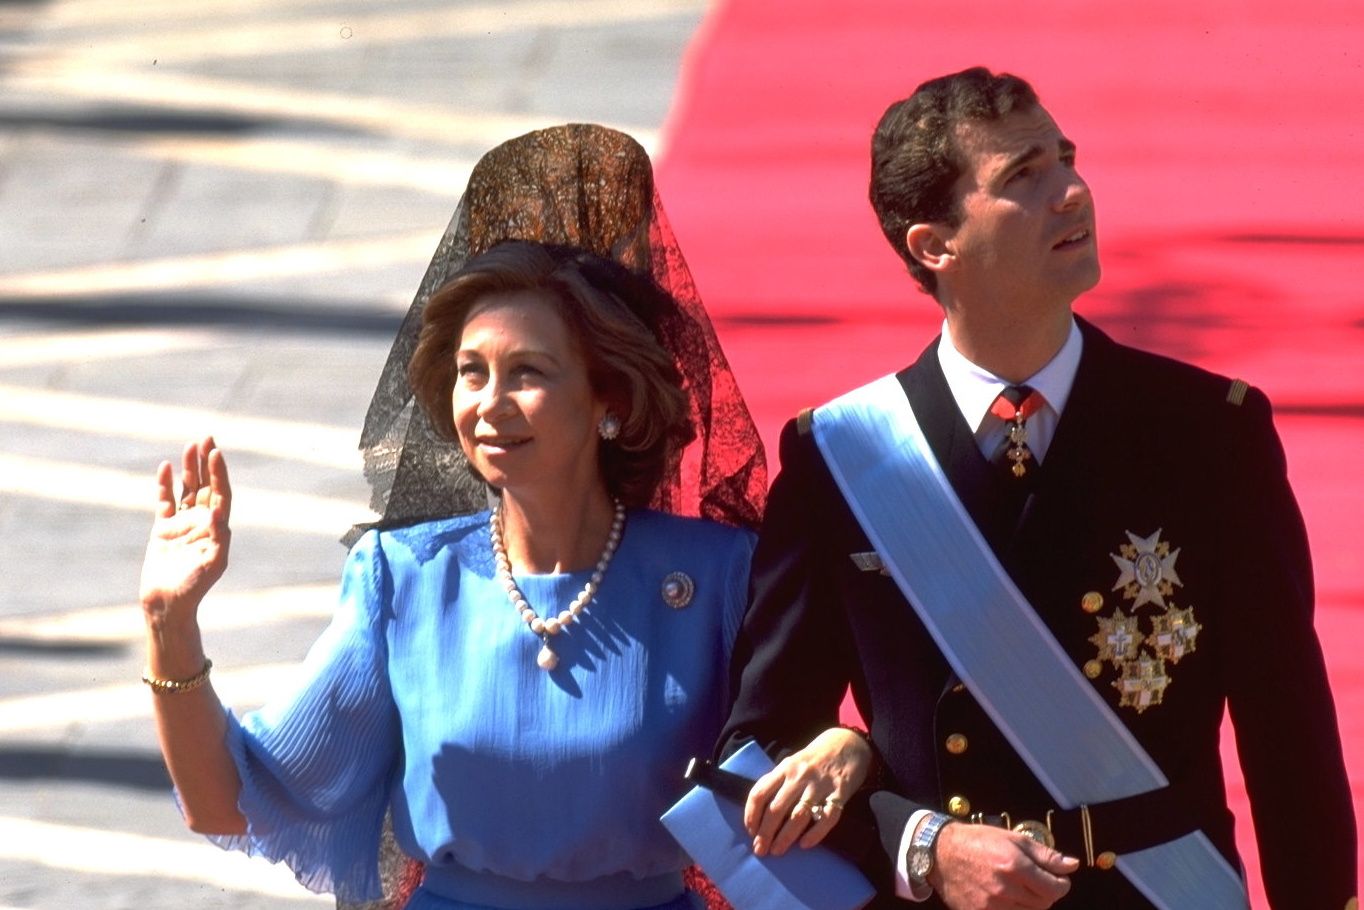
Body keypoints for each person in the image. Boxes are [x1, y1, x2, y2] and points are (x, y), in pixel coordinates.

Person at [139, 124, 869, 910]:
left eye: (528, 373)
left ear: (609, 403)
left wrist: (847, 747)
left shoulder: (720, 573)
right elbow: (226, 802)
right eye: (470, 372)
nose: (489, 405)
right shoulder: (403, 579)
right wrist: (169, 621)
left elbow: (807, 752)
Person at [718, 67, 1357, 909]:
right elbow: (759, 755)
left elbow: (1289, 733)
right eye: (1024, 176)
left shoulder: (1208, 433)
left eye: (1066, 157)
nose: (1073, 190)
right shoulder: (842, 458)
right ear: (933, 245)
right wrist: (921, 847)